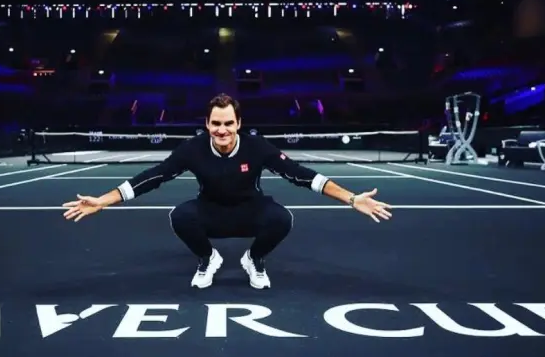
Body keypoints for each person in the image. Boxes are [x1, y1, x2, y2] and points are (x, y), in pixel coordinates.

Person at [62, 94, 393, 290]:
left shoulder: (256, 147)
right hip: (210, 211)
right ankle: (208, 258)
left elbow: (302, 175)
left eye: (228, 123)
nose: (222, 130)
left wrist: (352, 198)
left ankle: (254, 259)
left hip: (251, 210)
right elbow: (153, 177)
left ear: (238, 124)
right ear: (207, 124)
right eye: (216, 124)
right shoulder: (192, 149)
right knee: (180, 216)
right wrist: (102, 201)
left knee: (282, 219)